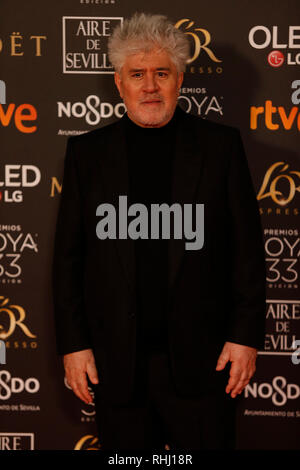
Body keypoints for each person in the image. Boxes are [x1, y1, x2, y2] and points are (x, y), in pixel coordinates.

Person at [52, 13, 266, 450]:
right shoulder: (86, 154)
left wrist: (245, 336)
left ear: (179, 79)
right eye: (137, 74)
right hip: (117, 365)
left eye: (161, 73)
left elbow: (248, 253)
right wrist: (74, 346)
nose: (150, 86)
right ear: (119, 83)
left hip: (206, 364)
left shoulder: (221, 147)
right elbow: (68, 259)